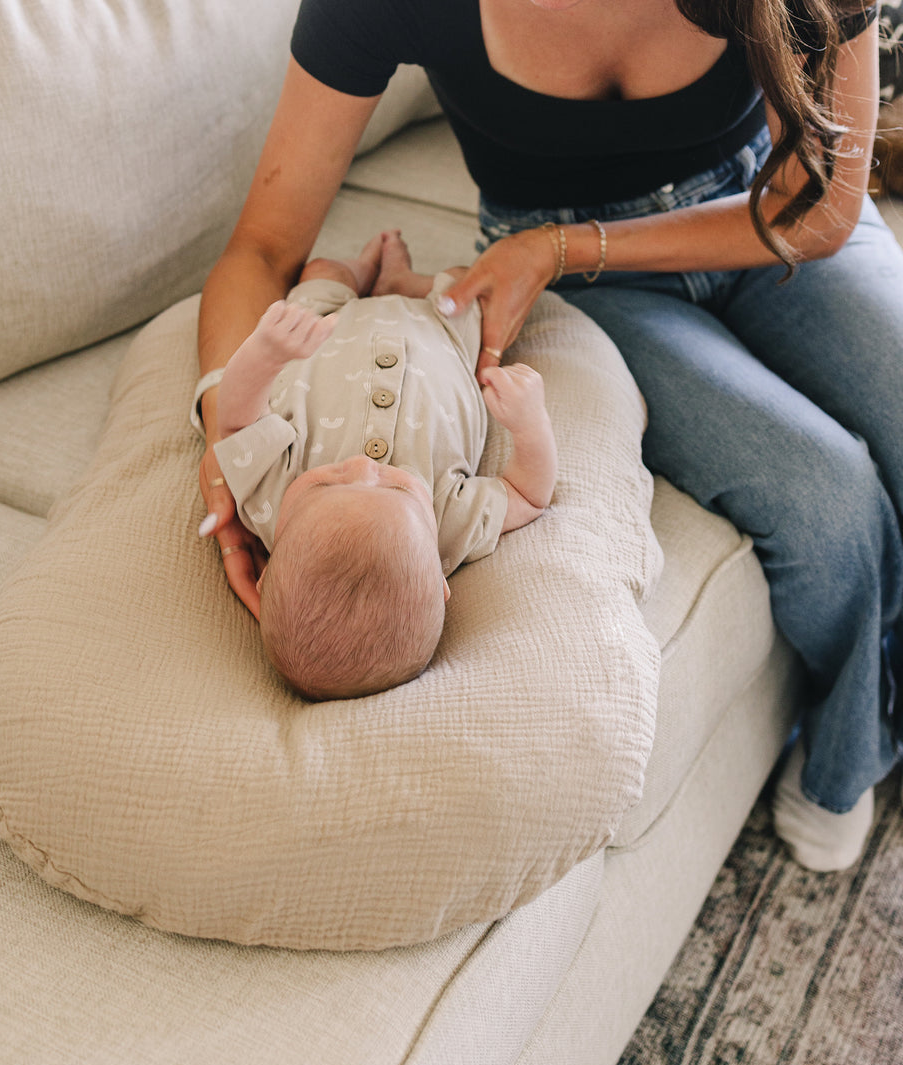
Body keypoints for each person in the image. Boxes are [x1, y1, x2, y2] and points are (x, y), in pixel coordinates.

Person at [195, 0, 903, 870]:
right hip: (573, 284)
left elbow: (822, 207)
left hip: (770, 210)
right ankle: (853, 753)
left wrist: (571, 244)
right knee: (830, 502)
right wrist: (218, 425)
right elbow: (266, 246)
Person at [197, 231, 556, 699]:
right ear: (438, 582)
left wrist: (265, 357)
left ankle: (361, 271)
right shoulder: (447, 527)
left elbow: (237, 421)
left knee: (323, 270)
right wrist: (530, 426)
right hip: (442, 332)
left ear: (269, 569)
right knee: (467, 286)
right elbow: (528, 495)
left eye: (325, 484)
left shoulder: (269, 503)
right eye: (397, 490)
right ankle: (404, 282)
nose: (363, 469)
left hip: (321, 324)